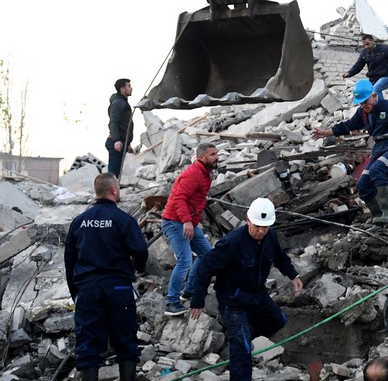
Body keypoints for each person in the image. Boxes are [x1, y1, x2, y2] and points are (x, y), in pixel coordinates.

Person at [189, 198, 303, 381]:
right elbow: (205, 268)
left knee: (277, 320)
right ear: (248, 220)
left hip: (258, 296)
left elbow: (280, 257)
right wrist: (198, 300)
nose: (261, 231)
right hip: (233, 302)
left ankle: (239, 340)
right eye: (257, 226)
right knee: (242, 351)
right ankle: (239, 347)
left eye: (264, 228)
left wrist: (293, 276)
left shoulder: (270, 237)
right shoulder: (231, 243)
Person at [64, 173, 148, 381]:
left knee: (88, 345)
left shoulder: (79, 221)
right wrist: (139, 268)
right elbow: (140, 250)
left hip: (88, 289)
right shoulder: (124, 220)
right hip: (118, 288)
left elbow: (69, 259)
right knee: (126, 342)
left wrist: (76, 291)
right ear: (114, 190)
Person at [312, 79, 388, 224]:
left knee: (377, 170)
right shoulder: (362, 113)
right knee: (363, 183)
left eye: (365, 101)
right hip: (380, 147)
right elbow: (348, 125)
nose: (363, 105)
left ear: (374, 95)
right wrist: (326, 133)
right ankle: (378, 217)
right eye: (360, 103)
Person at [161, 142, 217, 316]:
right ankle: (171, 302)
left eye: (216, 153)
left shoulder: (205, 172)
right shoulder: (192, 175)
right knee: (185, 261)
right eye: (213, 155)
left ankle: (189, 291)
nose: (217, 157)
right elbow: (178, 199)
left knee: (208, 255)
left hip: (187, 222)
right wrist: (186, 221)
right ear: (202, 158)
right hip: (174, 222)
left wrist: (191, 221)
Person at [344, 33, 388, 99]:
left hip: (385, 77)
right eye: (364, 45)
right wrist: (349, 73)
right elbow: (358, 66)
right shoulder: (364, 53)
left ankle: (381, 107)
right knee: (365, 93)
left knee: (376, 89)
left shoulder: (385, 49)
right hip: (372, 79)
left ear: (372, 41)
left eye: (367, 44)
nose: (366, 47)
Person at [105, 78, 134, 178]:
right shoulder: (118, 103)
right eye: (129, 86)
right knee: (112, 176)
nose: (131, 88)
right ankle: (107, 193)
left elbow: (124, 125)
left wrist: (127, 143)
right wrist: (117, 140)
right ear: (122, 89)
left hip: (121, 143)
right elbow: (113, 122)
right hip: (116, 143)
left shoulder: (123, 102)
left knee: (116, 176)